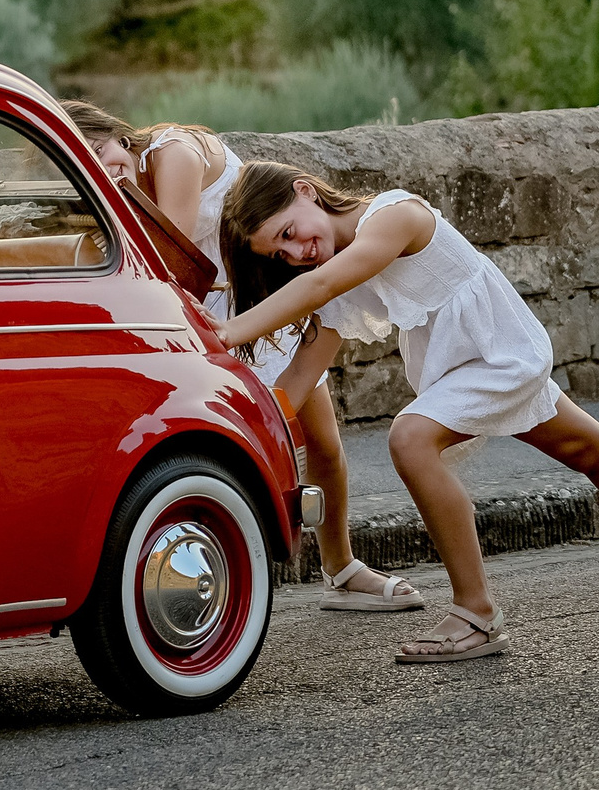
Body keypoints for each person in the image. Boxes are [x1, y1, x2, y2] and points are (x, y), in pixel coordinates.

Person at [217, 163, 599, 663]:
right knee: (586, 448)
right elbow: (303, 372)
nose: (296, 253)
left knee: (410, 438)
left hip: (499, 354)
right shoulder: (335, 269)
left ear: (305, 190)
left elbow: (320, 286)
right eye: (280, 253)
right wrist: (241, 429)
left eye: (289, 233)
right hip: (463, 367)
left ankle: (476, 613)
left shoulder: (394, 215)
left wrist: (228, 333)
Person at [61, 103, 420, 616]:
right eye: (87, 165)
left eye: (101, 151)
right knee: (219, 437)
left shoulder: (173, 153)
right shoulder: (118, 185)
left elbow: (166, 256)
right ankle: (209, 565)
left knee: (320, 440)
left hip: (250, 298)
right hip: (209, 301)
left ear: (116, 133)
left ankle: (340, 570)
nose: (104, 167)